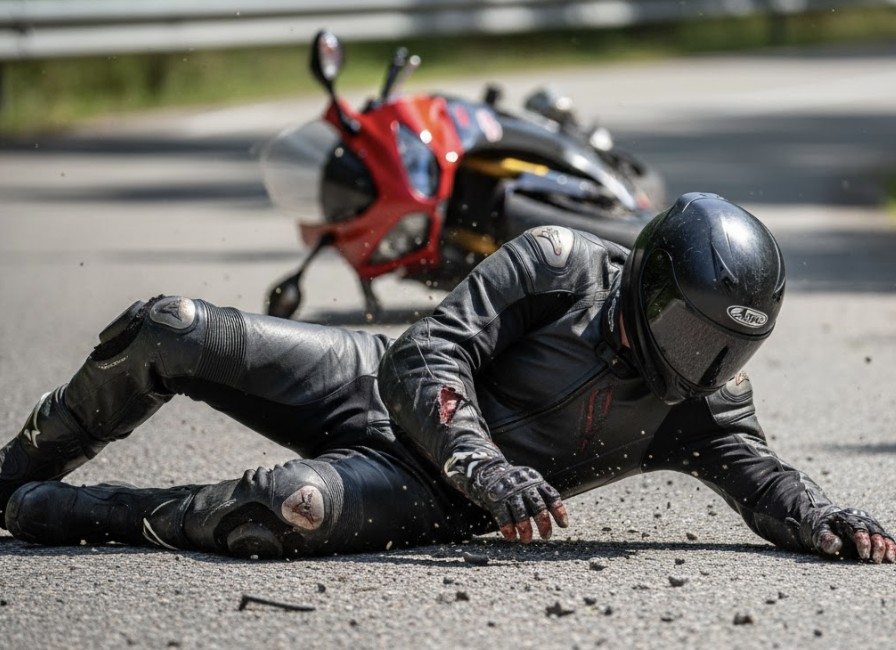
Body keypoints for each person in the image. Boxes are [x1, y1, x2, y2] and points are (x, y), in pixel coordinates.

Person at [1, 192, 893, 563]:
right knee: (167, 328)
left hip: (416, 488)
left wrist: (823, 517)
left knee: (291, 506)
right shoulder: (559, 261)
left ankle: (74, 513)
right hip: (376, 385)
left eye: (734, 351)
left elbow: (763, 480)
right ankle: (11, 475)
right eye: (694, 336)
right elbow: (426, 355)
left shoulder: (704, 400)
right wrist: (484, 463)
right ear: (646, 283)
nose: (710, 366)